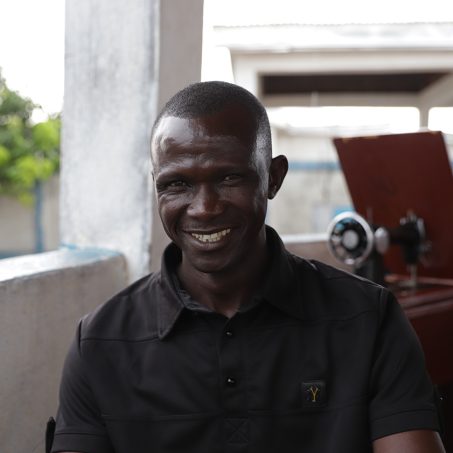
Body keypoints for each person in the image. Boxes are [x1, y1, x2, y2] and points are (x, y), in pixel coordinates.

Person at [50, 81, 445, 453]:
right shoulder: (101, 342)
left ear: (273, 178)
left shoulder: (369, 320)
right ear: (156, 184)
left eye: (229, 177)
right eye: (177, 184)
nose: (204, 208)